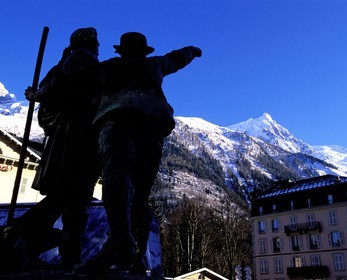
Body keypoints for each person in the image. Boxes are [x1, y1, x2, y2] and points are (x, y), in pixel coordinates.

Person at [77, 32, 202, 275]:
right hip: (153, 125)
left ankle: (120, 241)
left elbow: (73, 80)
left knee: (116, 171)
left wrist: (39, 93)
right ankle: (140, 256)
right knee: (140, 193)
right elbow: (176, 58)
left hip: (117, 120)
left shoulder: (106, 68)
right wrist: (193, 50)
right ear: (144, 50)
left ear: (120, 51)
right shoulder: (154, 64)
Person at [1, 27, 101, 271]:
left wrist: (36, 93)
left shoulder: (71, 61)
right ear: (88, 43)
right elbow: (51, 87)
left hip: (74, 138)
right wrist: (38, 93)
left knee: (70, 199)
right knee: (71, 197)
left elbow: (47, 88)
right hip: (76, 140)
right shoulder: (82, 59)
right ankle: (21, 238)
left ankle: (28, 240)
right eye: (95, 42)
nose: (99, 46)